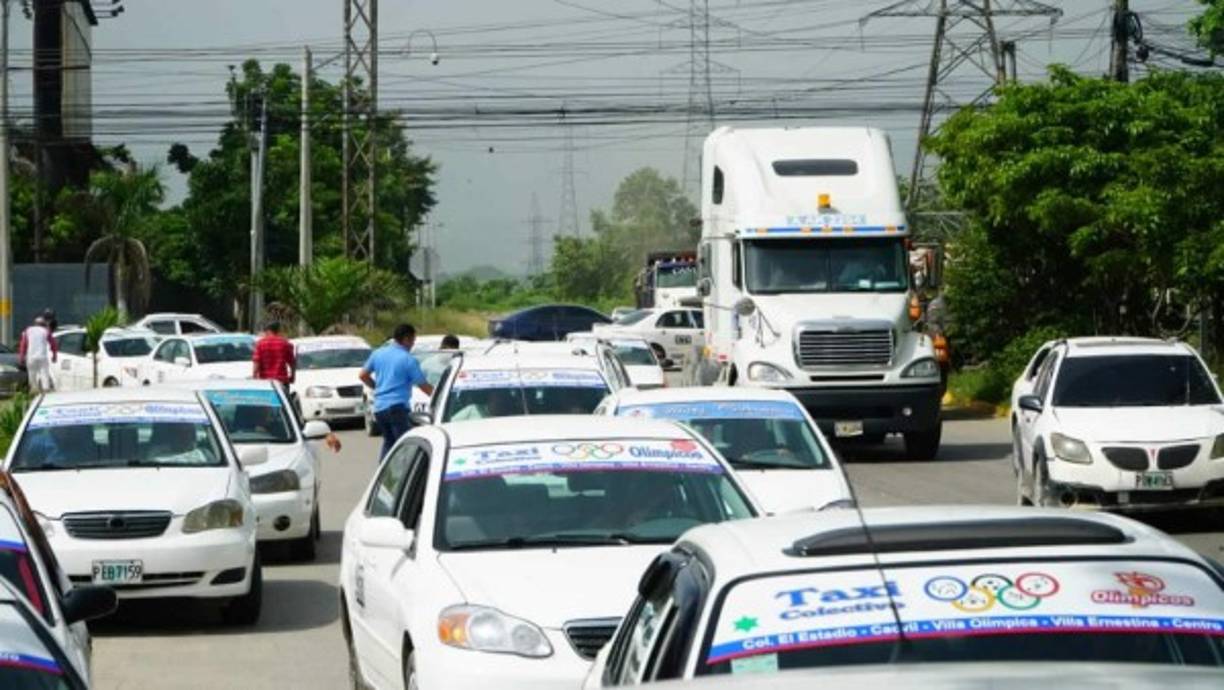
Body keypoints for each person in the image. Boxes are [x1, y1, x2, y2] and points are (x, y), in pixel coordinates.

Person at [360, 324, 434, 459]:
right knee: (404, 445)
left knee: (389, 443)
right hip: (397, 408)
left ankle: (384, 470)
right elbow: (423, 385)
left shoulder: (378, 353)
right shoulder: (407, 359)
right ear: (406, 339)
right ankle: (405, 472)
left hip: (379, 408)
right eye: (412, 341)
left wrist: (377, 387)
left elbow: (363, 375)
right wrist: (438, 396)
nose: (413, 345)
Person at [18, 316, 57, 393]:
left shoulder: (28, 330)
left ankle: (33, 390)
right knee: (44, 374)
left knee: (32, 375)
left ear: (35, 323)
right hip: (42, 357)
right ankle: (46, 390)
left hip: (31, 357)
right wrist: (54, 355)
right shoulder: (46, 331)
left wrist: (21, 357)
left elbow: (23, 345)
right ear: (43, 324)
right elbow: (53, 343)